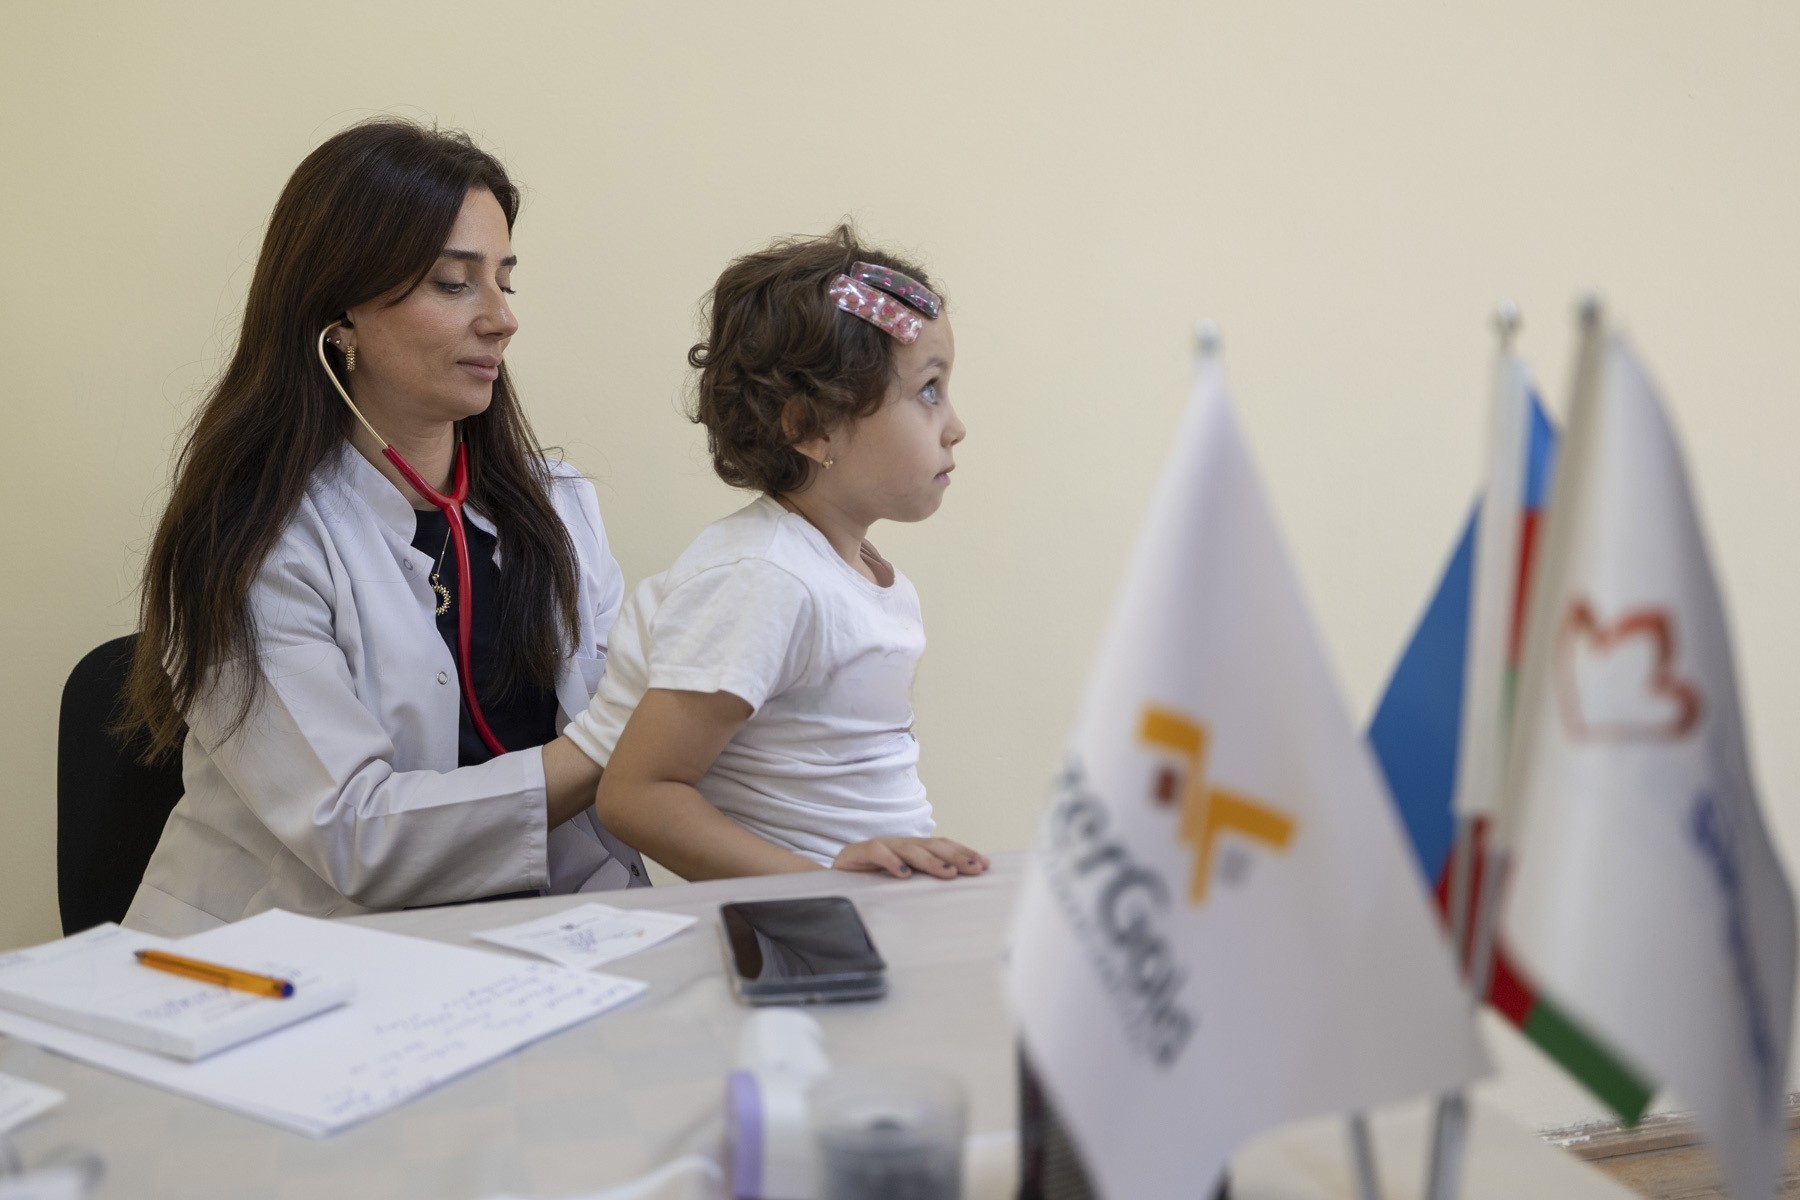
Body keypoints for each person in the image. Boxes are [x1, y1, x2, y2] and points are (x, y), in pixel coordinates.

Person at [121, 119, 645, 937]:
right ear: (340, 315)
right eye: (453, 283)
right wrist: (622, 743)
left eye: (505, 280)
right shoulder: (249, 540)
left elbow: (649, 747)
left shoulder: (560, 507)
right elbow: (356, 835)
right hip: (299, 956)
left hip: (542, 937)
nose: (502, 318)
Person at [563, 227, 989, 882]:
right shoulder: (761, 578)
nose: (956, 426)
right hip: (809, 925)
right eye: (929, 389)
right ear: (813, 428)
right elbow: (637, 796)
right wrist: (819, 888)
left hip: (872, 912)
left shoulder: (861, 578)